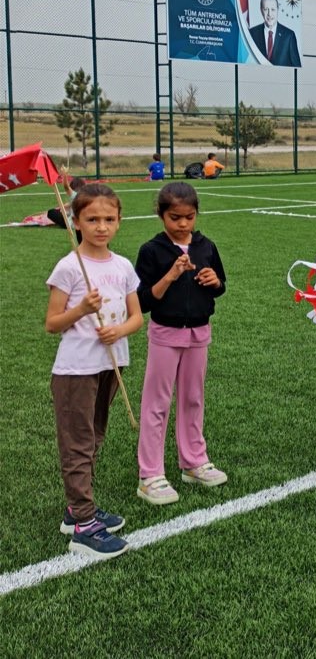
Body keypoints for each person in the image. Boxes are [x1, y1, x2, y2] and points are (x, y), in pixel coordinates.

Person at [44, 183, 143, 560]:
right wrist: (82, 309)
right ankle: (84, 525)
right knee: (78, 443)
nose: (101, 226)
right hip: (76, 370)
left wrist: (119, 330)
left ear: (119, 221)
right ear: (76, 222)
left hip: (110, 364)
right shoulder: (70, 267)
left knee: (95, 436)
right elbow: (53, 323)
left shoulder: (123, 266)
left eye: (109, 219)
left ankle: (76, 510)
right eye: (92, 219)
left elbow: (136, 318)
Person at [134, 182, 229, 505]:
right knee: (156, 403)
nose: (183, 224)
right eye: (175, 217)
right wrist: (171, 274)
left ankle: (193, 462)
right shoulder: (152, 250)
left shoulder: (206, 246)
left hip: (199, 332)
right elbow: (144, 300)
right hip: (165, 333)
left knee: (193, 399)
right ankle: (150, 474)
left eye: (189, 217)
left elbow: (219, 286)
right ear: (161, 215)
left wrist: (214, 281)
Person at [248, 0, 302, 67]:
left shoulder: (289, 36)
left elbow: (297, 69)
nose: (269, 14)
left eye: (273, 9)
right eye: (266, 9)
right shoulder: (252, 34)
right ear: (261, 10)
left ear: (277, 10)